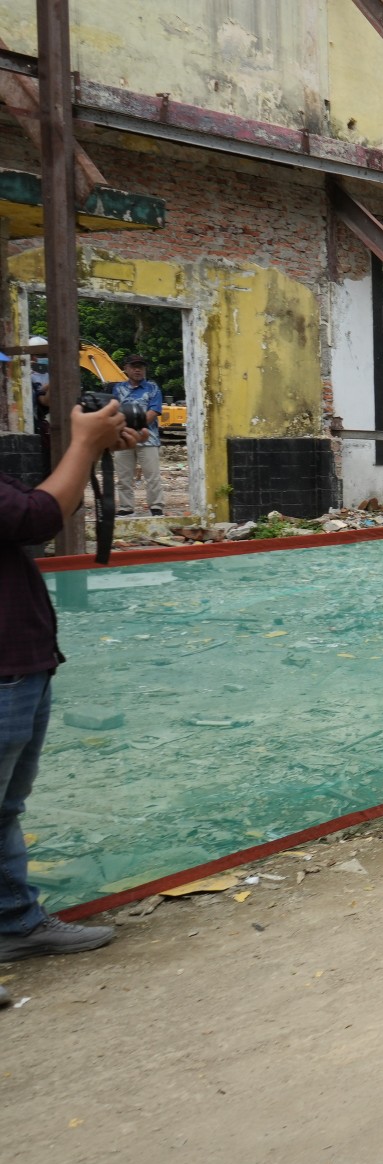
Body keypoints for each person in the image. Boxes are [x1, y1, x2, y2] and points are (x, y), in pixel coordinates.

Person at [2, 397, 141, 964]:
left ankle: (15, 924)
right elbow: (32, 518)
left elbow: (34, 512)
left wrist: (88, 449)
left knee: (6, 807)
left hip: (20, 661)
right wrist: (83, 445)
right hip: (6, 667)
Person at [109, 355, 164, 516]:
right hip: (123, 439)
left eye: (141, 366)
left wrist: (133, 425)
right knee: (124, 476)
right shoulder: (118, 389)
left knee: (152, 475)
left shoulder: (153, 388)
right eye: (133, 366)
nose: (138, 369)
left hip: (148, 438)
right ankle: (126, 508)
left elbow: (153, 412)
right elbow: (114, 410)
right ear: (125, 369)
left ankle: (156, 507)